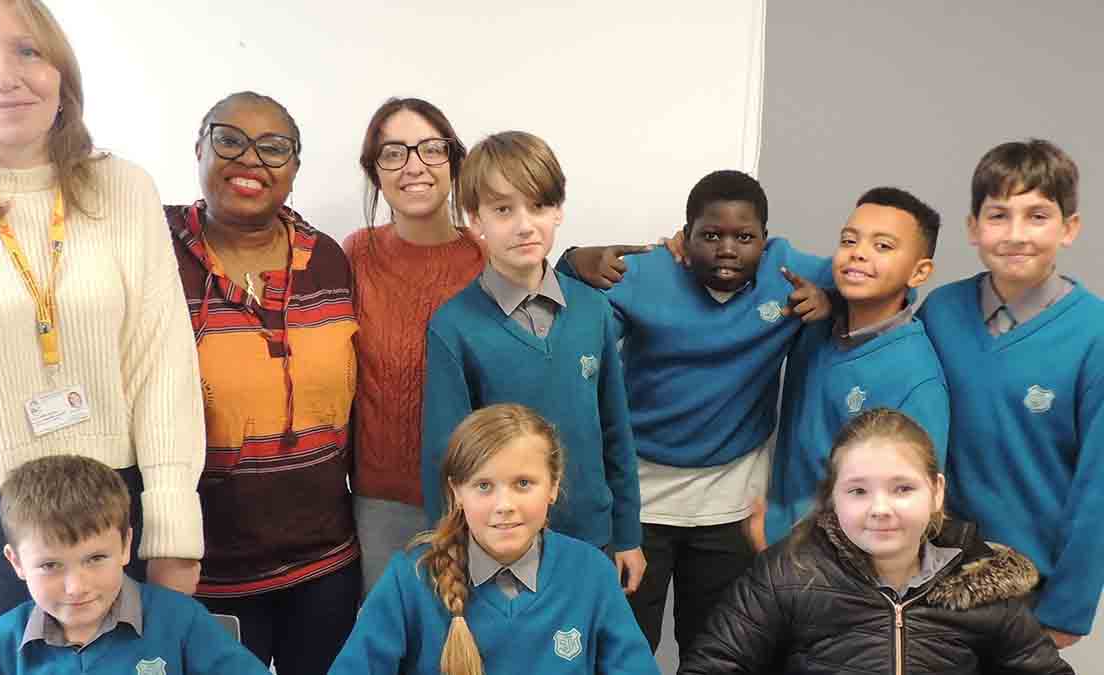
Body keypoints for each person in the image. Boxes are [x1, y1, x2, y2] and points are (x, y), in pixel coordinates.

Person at [0, 0, 204, 654]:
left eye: (28, 51)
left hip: (115, 506)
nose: (4, 75)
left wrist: (174, 533)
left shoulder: (124, 189)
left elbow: (162, 366)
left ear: (61, 75)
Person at [556, 170, 833, 655]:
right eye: (710, 235)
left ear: (765, 240)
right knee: (625, 645)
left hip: (730, 498)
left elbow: (875, 280)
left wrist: (829, 299)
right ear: (685, 237)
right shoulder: (646, 274)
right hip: (640, 496)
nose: (727, 249)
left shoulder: (788, 272)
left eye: (744, 237)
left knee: (716, 648)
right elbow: (567, 304)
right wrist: (572, 259)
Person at [164, 91, 359, 673]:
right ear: (199, 148)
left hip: (326, 561)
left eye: (273, 148)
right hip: (205, 569)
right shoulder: (156, 253)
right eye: (229, 140)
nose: (250, 159)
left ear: (294, 169)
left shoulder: (328, 259)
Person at [678, 408, 1074, 675]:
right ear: (833, 497)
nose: (880, 509)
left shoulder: (981, 582)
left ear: (936, 491)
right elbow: (712, 666)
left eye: (902, 488)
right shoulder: (787, 573)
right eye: (858, 491)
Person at [420, 131, 646, 594]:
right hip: (499, 549)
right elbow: (445, 459)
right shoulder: (453, 327)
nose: (525, 226)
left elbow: (615, 430)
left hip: (592, 540)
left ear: (558, 210)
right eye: (504, 210)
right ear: (475, 219)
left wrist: (627, 533)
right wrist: (452, 553)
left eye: (538, 206)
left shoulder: (593, 310)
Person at [917, 139, 1104, 647]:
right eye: (998, 216)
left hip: (1031, 589)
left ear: (1069, 228)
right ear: (973, 228)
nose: (1016, 234)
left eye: (1037, 216)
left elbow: (1098, 487)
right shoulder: (940, 312)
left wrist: (1068, 610)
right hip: (931, 574)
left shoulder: (1094, 333)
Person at [330, 404, 658, 674]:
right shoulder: (411, 577)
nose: (504, 506)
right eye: (484, 486)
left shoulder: (591, 573)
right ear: (456, 492)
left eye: (523, 483)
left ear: (553, 486)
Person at [0, 456, 267, 674]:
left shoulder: (181, 620)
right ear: (15, 562)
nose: (76, 587)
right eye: (50, 565)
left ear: (126, 546)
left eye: (96, 558)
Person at [344, 97, 485, 593]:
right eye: (393, 153)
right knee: (392, 634)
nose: (414, 166)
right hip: (381, 506)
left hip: (477, 497)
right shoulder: (356, 253)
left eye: (431, 148)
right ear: (375, 171)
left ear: (454, 160)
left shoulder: (488, 256)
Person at [764, 187, 949, 544]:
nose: (859, 253)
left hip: (836, 564)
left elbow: (908, 512)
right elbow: (748, 249)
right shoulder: (816, 323)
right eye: (849, 240)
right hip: (777, 545)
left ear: (919, 272)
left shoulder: (916, 380)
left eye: (883, 246)